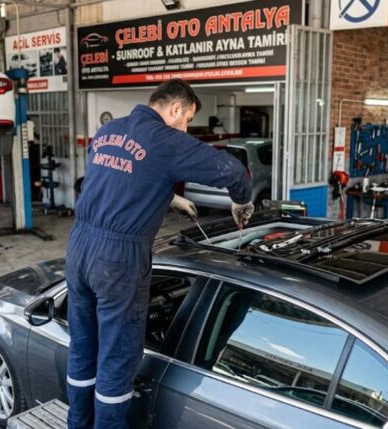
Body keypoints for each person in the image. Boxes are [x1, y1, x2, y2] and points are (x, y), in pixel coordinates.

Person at [66, 79, 254, 429]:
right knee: (117, 359)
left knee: (83, 347)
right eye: (188, 120)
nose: (186, 129)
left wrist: (168, 196)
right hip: (118, 258)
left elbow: (117, 179)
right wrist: (241, 200)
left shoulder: (107, 131)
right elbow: (232, 170)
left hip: (79, 248)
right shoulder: (168, 140)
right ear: (176, 108)